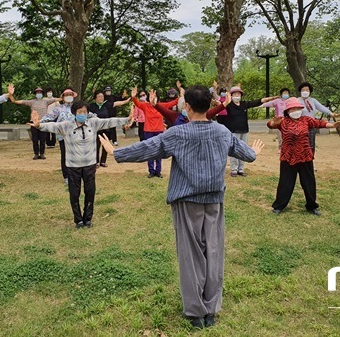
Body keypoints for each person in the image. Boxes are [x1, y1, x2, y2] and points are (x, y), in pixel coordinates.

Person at [99, 85, 264, 329]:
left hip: (187, 201)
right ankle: (210, 310)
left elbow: (148, 148)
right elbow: (246, 155)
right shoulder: (221, 131)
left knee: (191, 256)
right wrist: (254, 153)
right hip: (214, 200)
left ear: (186, 106)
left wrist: (116, 152)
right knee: (214, 253)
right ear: (209, 105)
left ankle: (196, 312)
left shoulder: (178, 133)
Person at [31, 101, 131, 228]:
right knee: (74, 193)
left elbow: (109, 121)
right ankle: (78, 219)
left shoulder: (93, 123)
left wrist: (127, 119)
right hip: (73, 166)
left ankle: (88, 218)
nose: (82, 114)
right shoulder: (66, 126)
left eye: (84, 112)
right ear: (74, 113)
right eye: (79, 112)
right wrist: (39, 125)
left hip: (90, 165)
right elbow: (52, 126)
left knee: (90, 192)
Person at [267, 97, 340, 216]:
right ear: (288, 111)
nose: (296, 110)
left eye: (298, 108)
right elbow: (271, 125)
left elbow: (319, 123)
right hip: (288, 156)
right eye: (293, 109)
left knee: (308, 182)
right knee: (285, 182)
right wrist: (273, 123)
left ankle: (312, 205)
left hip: (305, 156)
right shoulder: (283, 121)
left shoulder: (306, 120)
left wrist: (331, 125)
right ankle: (279, 206)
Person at [221, 85, 277, 177]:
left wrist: (270, 98)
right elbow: (219, 105)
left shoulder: (244, 104)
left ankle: (241, 169)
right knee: (234, 150)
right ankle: (234, 169)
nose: (237, 96)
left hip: (244, 130)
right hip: (233, 131)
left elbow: (257, 102)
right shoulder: (229, 105)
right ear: (231, 95)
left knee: (244, 149)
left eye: (238, 94)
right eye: (234, 94)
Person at [40, 88, 84, 185]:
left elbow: (89, 116)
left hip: (77, 136)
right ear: (63, 97)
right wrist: (39, 122)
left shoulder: (78, 108)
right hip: (63, 137)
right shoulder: (59, 108)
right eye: (66, 94)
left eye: (70, 94)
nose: (69, 96)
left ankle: (77, 175)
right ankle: (67, 176)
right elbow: (49, 116)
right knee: (65, 156)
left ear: (73, 96)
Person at [10, 87, 58, 160]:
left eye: (40, 93)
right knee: (35, 139)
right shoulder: (31, 102)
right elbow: (21, 102)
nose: (39, 94)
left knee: (43, 139)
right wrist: (12, 98)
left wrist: (64, 97)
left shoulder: (46, 101)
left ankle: (42, 153)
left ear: (42, 94)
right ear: (35, 94)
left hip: (43, 122)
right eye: (37, 93)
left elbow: (56, 99)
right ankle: (36, 153)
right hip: (33, 122)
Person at [89, 91, 131, 167]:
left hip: (106, 129)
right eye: (99, 96)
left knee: (105, 145)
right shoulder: (92, 106)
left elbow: (116, 103)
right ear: (95, 98)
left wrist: (125, 101)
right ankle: (96, 162)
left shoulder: (107, 104)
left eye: (102, 96)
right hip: (96, 130)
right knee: (96, 146)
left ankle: (103, 161)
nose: (101, 98)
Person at [132, 86, 166, 178]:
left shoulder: (161, 106)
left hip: (159, 131)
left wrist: (181, 94)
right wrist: (133, 97)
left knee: (159, 151)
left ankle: (158, 171)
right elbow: (137, 104)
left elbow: (173, 103)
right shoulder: (145, 106)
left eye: (155, 97)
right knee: (150, 150)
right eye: (151, 97)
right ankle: (151, 170)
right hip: (148, 131)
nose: (153, 99)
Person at [297, 82, 340, 154]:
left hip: (311, 125)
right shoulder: (296, 100)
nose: (305, 92)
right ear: (300, 91)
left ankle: (310, 160)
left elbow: (321, 107)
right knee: (300, 145)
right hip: (300, 126)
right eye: (303, 90)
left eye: (307, 90)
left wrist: (331, 114)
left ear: (310, 91)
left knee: (311, 145)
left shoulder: (313, 100)